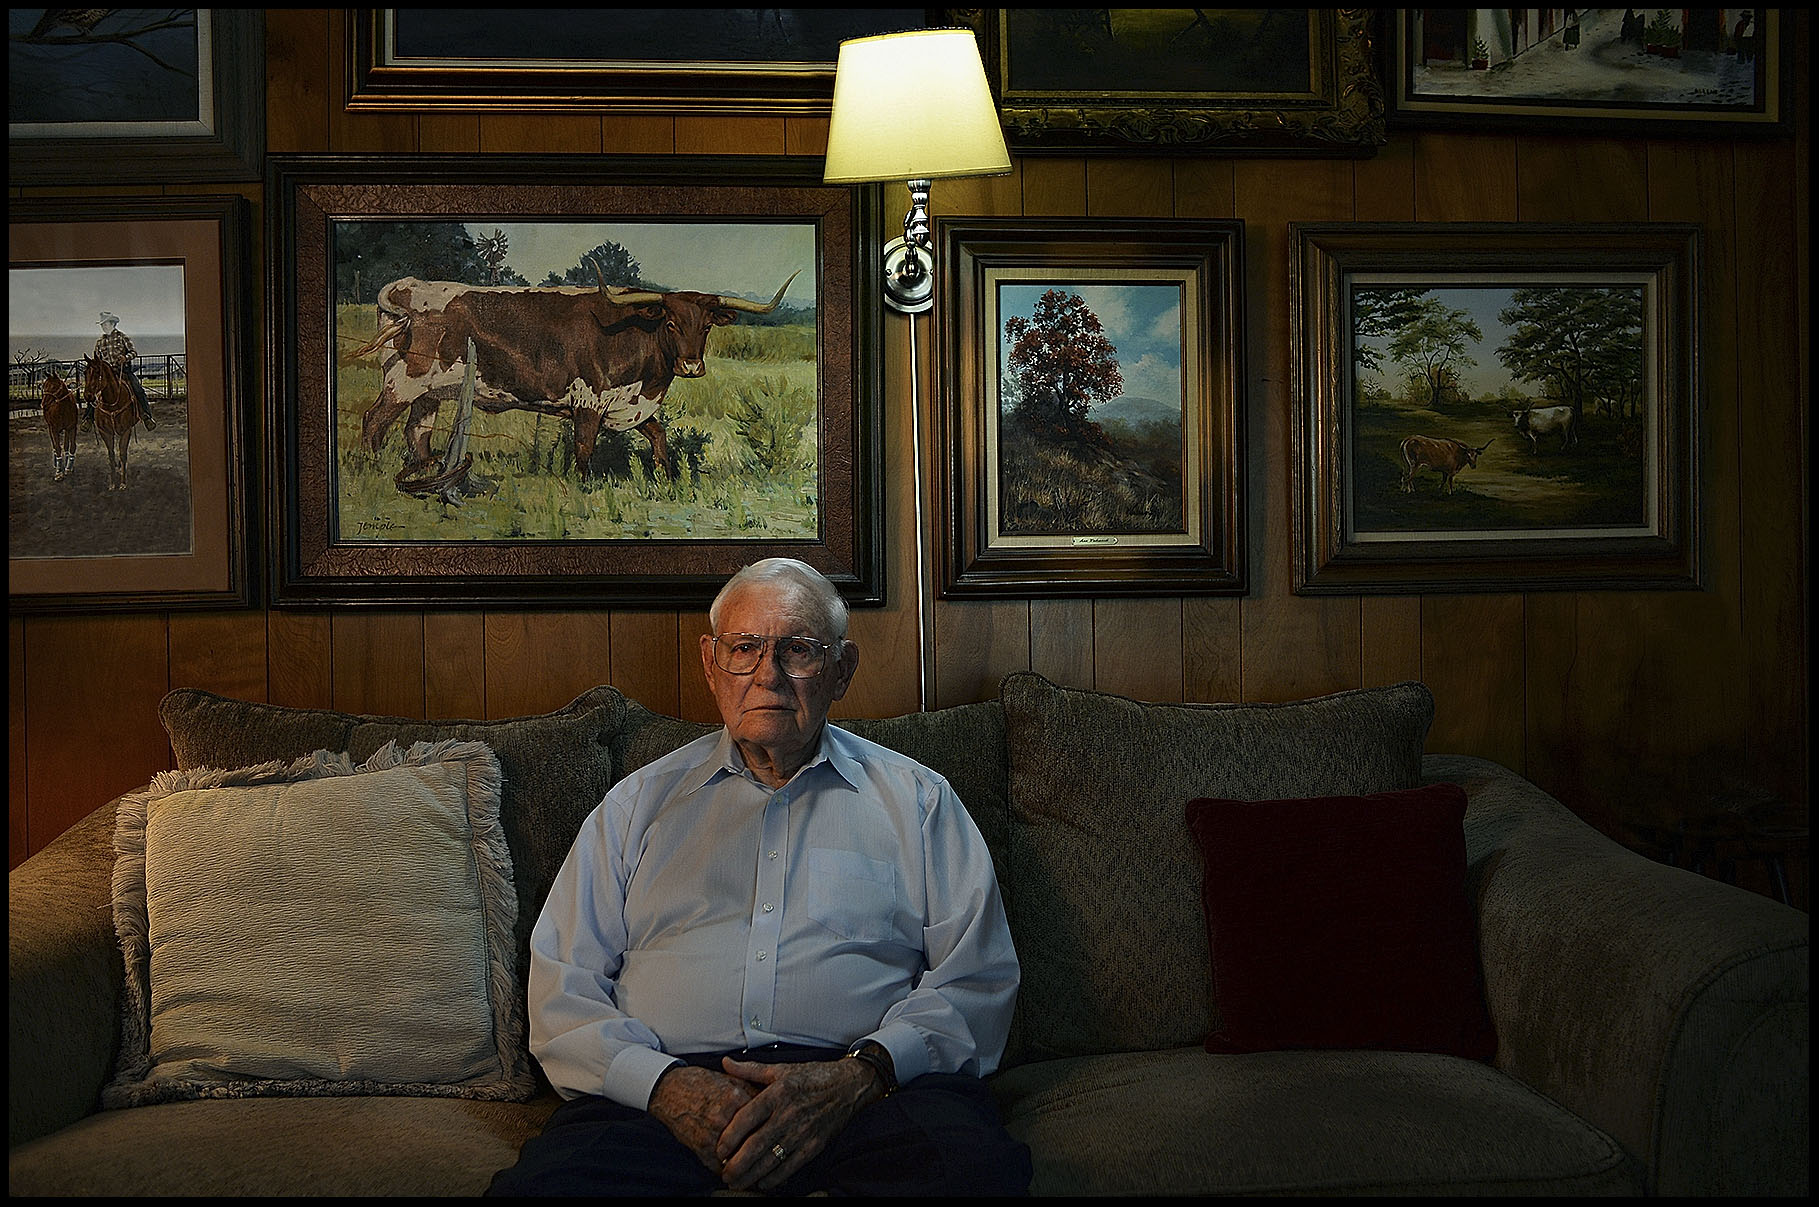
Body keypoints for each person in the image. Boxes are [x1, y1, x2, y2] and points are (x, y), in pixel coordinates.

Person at [487, 558, 1030, 1197]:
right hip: (660, 1097)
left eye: (797, 650)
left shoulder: (919, 802)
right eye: (745, 649)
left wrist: (864, 1075)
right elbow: (562, 987)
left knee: (970, 1175)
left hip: (867, 1093)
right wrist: (664, 1087)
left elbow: (977, 980)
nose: (768, 675)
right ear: (711, 664)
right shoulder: (637, 807)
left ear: (842, 670)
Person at [88, 311, 155, 429]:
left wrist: (125, 357)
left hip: (123, 371)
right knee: (93, 390)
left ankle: (146, 416)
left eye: (105, 324)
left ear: (113, 324)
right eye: (102, 325)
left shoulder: (122, 337)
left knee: (138, 389)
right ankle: (88, 418)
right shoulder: (99, 342)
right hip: (106, 374)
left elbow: (133, 352)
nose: (103, 327)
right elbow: (97, 359)